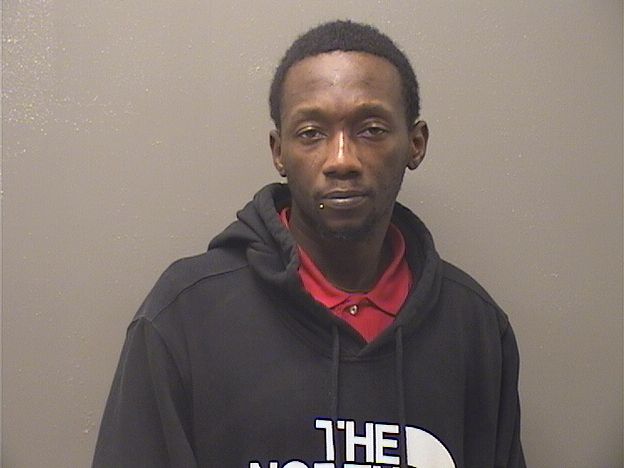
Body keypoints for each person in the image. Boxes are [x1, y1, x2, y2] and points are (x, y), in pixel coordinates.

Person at [93, 20, 526, 468]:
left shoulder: (474, 328)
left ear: (415, 144)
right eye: (311, 133)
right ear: (279, 151)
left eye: (371, 129)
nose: (341, 159)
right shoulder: (186, 315)